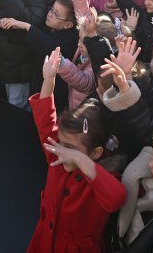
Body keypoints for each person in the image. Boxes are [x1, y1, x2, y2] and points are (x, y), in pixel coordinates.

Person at [28, 47, 126, 252]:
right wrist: (48, 81)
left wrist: (82, 162)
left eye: (71, 148)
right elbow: (46, 121)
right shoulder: (59, 155)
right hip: (44, 242)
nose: (62, 149)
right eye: (62, 143)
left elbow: (116, 198)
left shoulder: (102, 178)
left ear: (95, 153)